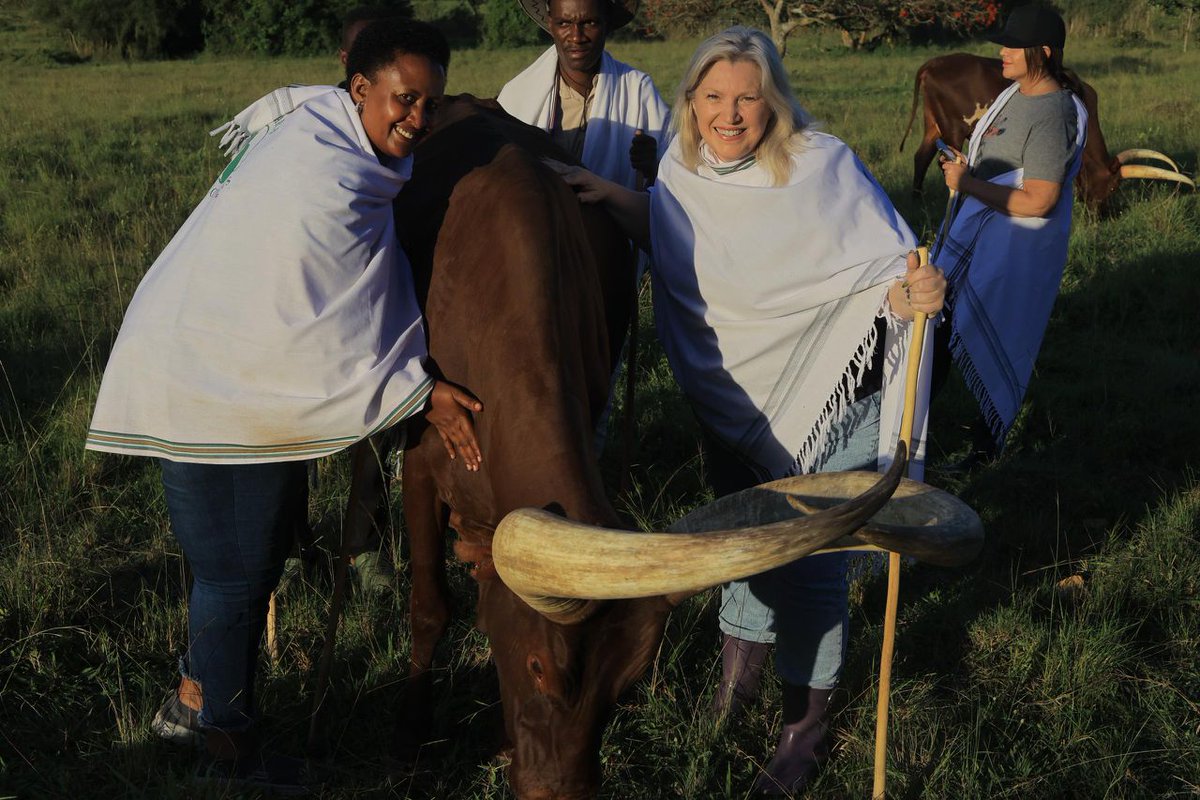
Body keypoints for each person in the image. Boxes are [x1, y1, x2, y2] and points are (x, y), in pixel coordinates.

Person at [86, 20, 481, 793]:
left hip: (201, 362)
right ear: (360, 88)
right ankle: (231, 757)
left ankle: (190, 701)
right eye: (406, 100)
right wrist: (421, 391)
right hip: (220, 386)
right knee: (238, 575)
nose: (420, 121)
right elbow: (323, 331)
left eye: (432, 105)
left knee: (231, 567)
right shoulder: (321, 185)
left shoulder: (320, 126)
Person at [549, 26, 945, 796]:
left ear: (775, 103)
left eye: (748, 99)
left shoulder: (819, 166)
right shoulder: (683, 171)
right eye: (713, 98)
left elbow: (886, 270)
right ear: (690, 102)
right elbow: (683, 228)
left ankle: (806, 722)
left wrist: (912, 295)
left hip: (839, 390)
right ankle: (738, 684)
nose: (729, 115)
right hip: (733, 397)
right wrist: (620, 201)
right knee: (741, 535)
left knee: (810, 558)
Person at [935, 4, 1087, 466]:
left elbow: (1040, 200)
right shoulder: (1015, 94)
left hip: (1009, 251)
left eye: (1012, 46)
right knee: (937, 327)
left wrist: (969, 185)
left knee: (984, 332)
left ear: (1043, 52)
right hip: (981, 236)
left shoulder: (1053, 112)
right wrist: (970, 169)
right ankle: (912, 427)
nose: (1002, 52)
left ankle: (980, 445)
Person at [498, 0, 669, 189]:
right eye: (564, 23)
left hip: (616, 218)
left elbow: (673, 175)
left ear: (606, 23)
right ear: (550, 24)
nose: (576, 37)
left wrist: (653, 166)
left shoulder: (638, 91)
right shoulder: (517, 95)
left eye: (589, 23)